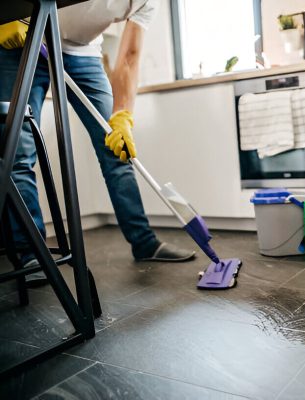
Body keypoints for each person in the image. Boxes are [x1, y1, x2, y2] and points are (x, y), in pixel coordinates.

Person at [0, 0, 195, 287]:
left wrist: (123, 115)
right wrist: (7, 14)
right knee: (18, 150)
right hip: (24, 39)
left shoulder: (147, 2)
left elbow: (129, 57)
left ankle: (144, 242)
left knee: (117, 149)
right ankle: (33, 255)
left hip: (83, 54)